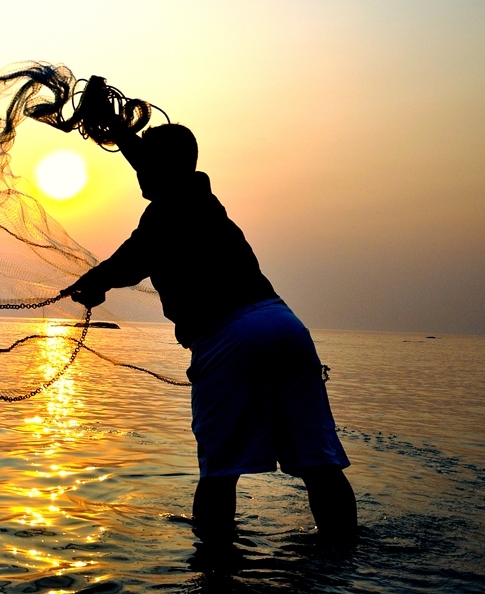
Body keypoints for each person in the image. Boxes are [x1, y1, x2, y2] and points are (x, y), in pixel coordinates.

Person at [60, 95, 357, 552]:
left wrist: (93, 284)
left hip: (229, 335)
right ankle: (345, 560)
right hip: (285, 325)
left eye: (144, 167)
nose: (137, 173)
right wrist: (121, 136)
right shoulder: (200, 194)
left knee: (219, 473)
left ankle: (215, 570)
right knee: (318, 463)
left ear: (160, 169)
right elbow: (155, 161)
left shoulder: (164, 211)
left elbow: (128, 262)